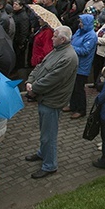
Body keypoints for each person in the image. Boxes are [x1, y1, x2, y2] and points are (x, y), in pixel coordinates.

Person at [25, 26, 78, 179]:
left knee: (49, 135)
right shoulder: (57, 50)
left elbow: (52, 79)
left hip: (52, 100)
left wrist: (33, 88)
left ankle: (50, 165)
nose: (51, 38)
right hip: (45, 97)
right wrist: (30, 80)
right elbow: (41, 66)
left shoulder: (68, 57)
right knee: (44, 132)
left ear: (62, 39)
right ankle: (43, 153)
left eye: (54, 36)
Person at [66, 14, 97, 119]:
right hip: (74, 63)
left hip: (82, 66)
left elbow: (85, 50)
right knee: (72, 86)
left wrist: (70, 47)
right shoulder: (80, 31)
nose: (80, 24)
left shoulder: (91, 36)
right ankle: (73, 105)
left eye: (82, 22)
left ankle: (81, 109)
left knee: (79, 88)